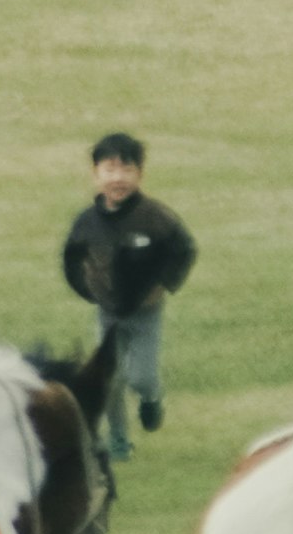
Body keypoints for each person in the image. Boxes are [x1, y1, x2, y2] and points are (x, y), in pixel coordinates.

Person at [59, 133, 194, 462]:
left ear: (140, 175)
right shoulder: (87, 222)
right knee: (110, 380)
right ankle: (119, 441)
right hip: (109, 313)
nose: (118, 178)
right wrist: (88, 290)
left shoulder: (154, 217)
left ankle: (151, 399)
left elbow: (184, 250)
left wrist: (164, 285)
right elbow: (72, 259)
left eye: (127, 170)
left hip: (146, 312)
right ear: (96, 174)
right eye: (110, 169)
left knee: (141, 377)